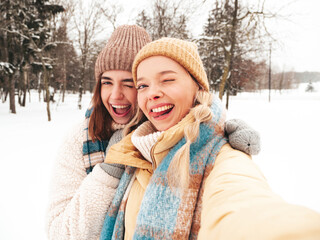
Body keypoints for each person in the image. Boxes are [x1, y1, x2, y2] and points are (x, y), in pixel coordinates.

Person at [46, 25, 258, 239]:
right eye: (106, 83)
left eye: (130, 84)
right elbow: (59, 234)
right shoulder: (81, 138)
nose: (115, 95)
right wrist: (110, 168)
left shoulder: (161, 134)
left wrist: (217, 131)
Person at [100, 37, 320, 239]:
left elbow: (243, 206)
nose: (152, 93)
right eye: (142, 86)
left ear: (197, 86)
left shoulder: (223, 156)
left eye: (167, 80)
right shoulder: (135, 152)